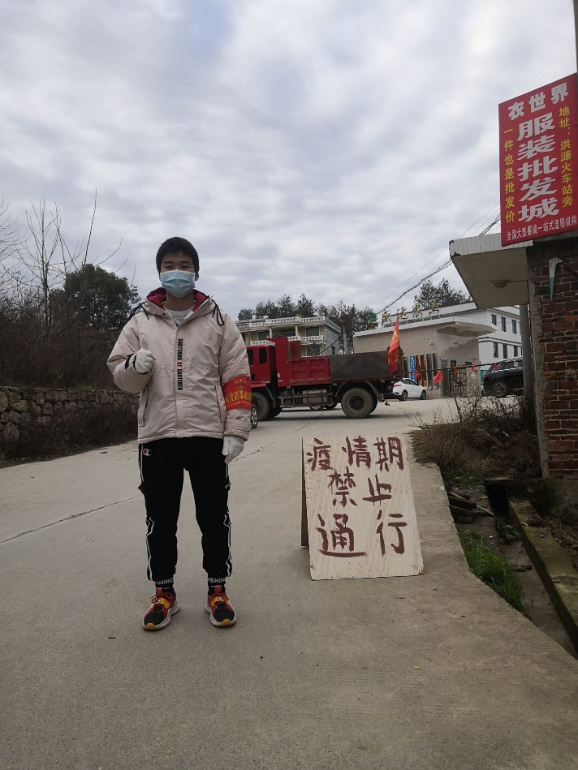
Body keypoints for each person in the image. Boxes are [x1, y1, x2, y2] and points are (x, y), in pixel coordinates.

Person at [107, 237, 251, 631]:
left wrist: (236, 430)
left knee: (214, 517)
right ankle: (164, 593)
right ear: (159, 272)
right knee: (160, 520)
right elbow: (121, 376)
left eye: (184, 265)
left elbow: (237, 377)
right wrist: (135, 366)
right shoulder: (140, 321)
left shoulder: (218, 321)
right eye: (169, 265)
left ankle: (217, 590)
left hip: (208, 436)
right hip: (157, 437)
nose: (177, 271)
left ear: (196, 272)